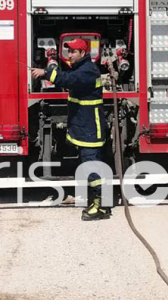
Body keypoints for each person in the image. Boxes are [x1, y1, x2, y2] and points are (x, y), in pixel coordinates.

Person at [31, 38, 110, 221]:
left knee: (92, 166)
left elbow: (68, 79)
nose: (69, 55)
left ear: (83, 53)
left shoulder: (87, 71)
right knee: (89, 164)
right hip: (85, 126)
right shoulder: (81, 68)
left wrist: (45, 73)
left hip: (90, 127)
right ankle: (97, 201)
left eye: (73, 51)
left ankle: (101, 206)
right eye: (68, 51)